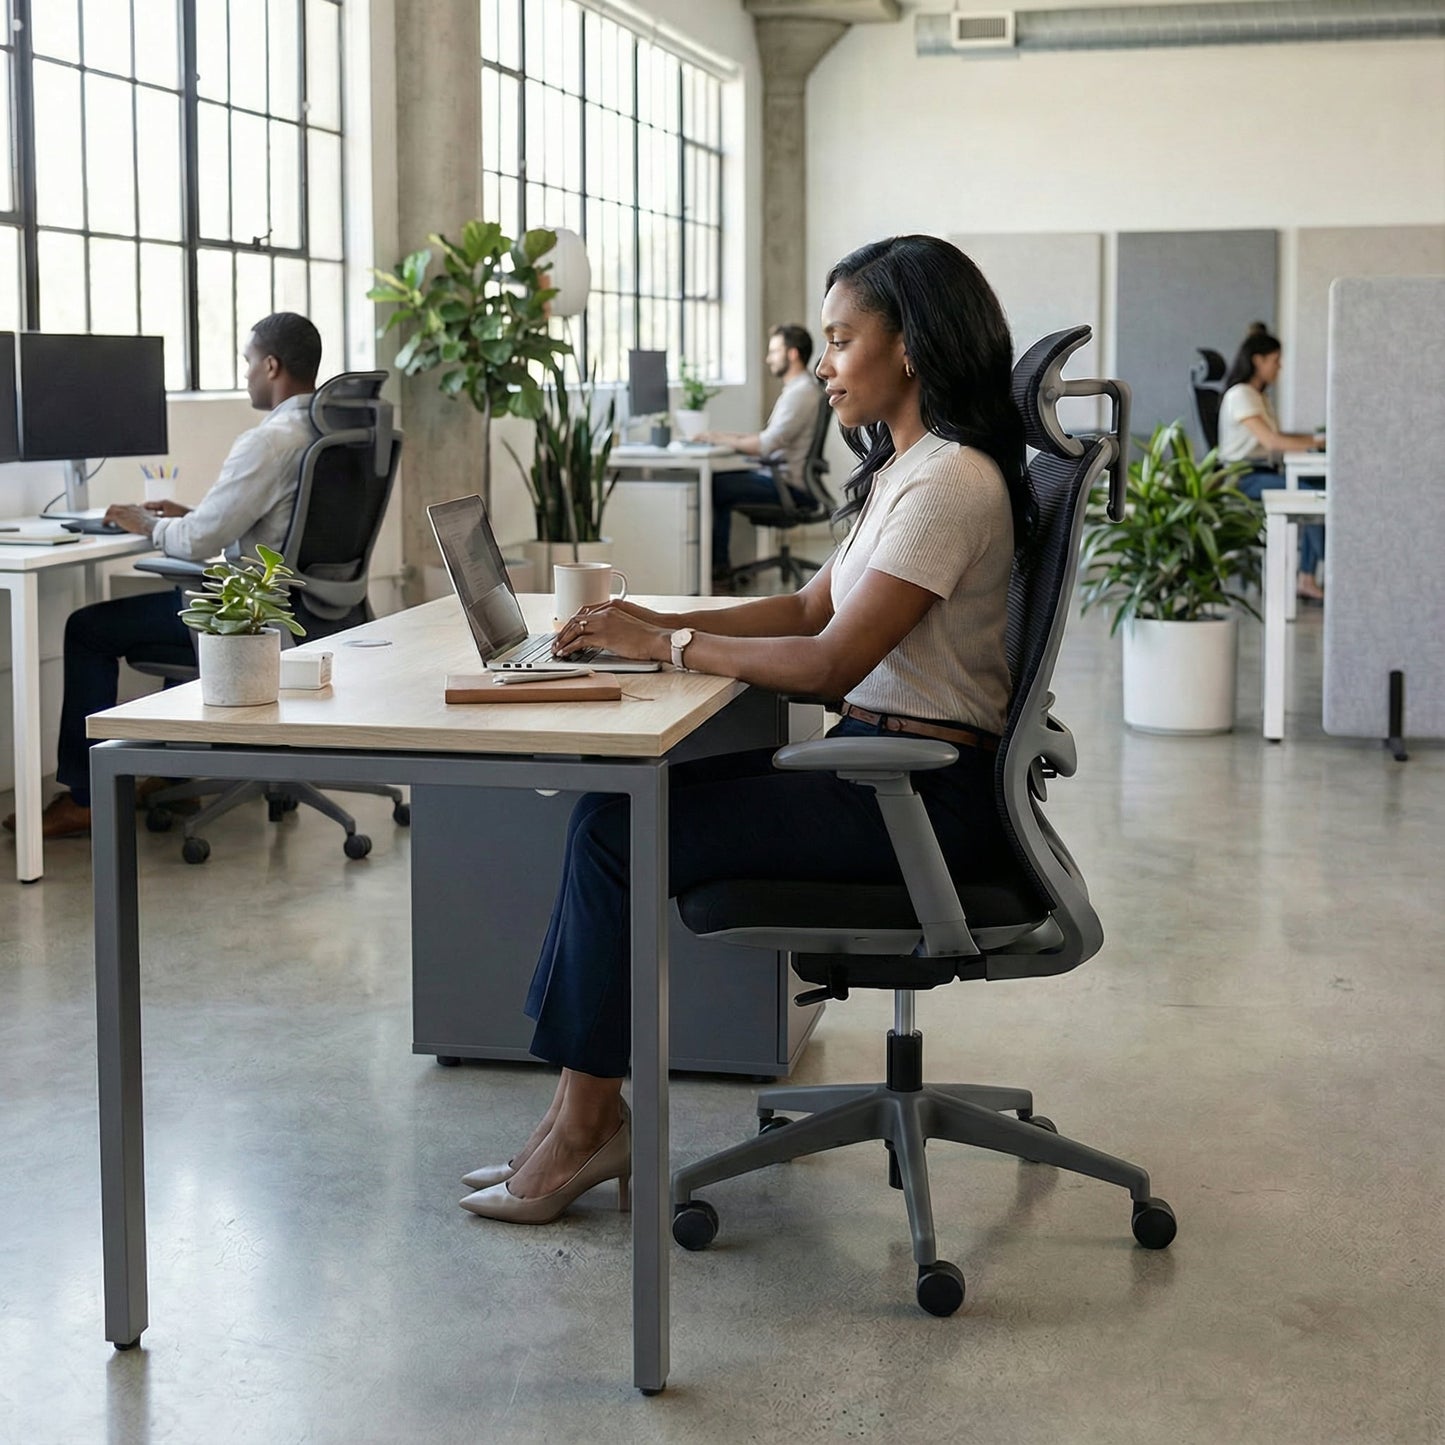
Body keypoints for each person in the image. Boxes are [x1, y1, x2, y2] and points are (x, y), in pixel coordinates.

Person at [457, 235, 1033, 1225]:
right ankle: (575, 1114)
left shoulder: (949, 482)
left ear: (913, 346)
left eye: (843, 340)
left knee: (612, 827)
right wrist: (645, 628)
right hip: (886, 776)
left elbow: (826, 664)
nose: (821, 364)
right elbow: (809, 609)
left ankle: (584, 1125)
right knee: (612, 807)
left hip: (920, 803)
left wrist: (671, 643)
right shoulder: (906, 469)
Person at [3, 312, 323, 841]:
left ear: (271, 365)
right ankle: (178, 774)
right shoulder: (323, 428)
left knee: (88, 628)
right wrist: (191, 514)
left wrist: (148, 522)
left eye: (247, 362)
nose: (245, 374)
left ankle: (85, 799)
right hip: (300, 608)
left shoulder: (268, 441)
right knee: (177, 594)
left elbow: (198, 542)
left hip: (246, 624)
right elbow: (274, 522)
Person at [697, 323, 826, 583]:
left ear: (792, 354)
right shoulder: (798, 390)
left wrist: (722, 439)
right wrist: (724, 437)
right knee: (726, 480)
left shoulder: (800, 394)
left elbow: (766, 445)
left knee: (715, 485)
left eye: (774, 351)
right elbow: (767, 438)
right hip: (783, 479)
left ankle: (718, 570)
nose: (768, 359)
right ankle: (722, 567)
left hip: (788, 486)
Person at [1217, 322, 1327, 602]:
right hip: (1243, 478)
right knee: (1313, 495)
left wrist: (1316, 438)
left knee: (1318, 486)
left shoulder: (1258, 397)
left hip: (1261, 472)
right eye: (1276, 361)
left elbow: (1278, 437)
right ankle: (1312, 574)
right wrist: (1318, 443)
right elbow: (1272, 442)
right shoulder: (1241, 394)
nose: (1279, 367)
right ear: (1259, 360)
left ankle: (1307, 577)